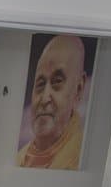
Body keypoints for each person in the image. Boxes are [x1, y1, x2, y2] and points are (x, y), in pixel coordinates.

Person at [17, 35, 88, 170]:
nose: (44, 99)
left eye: (57, 82)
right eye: (40, 84)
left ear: (78, 89)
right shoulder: (20, 158)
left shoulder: (81, 159)